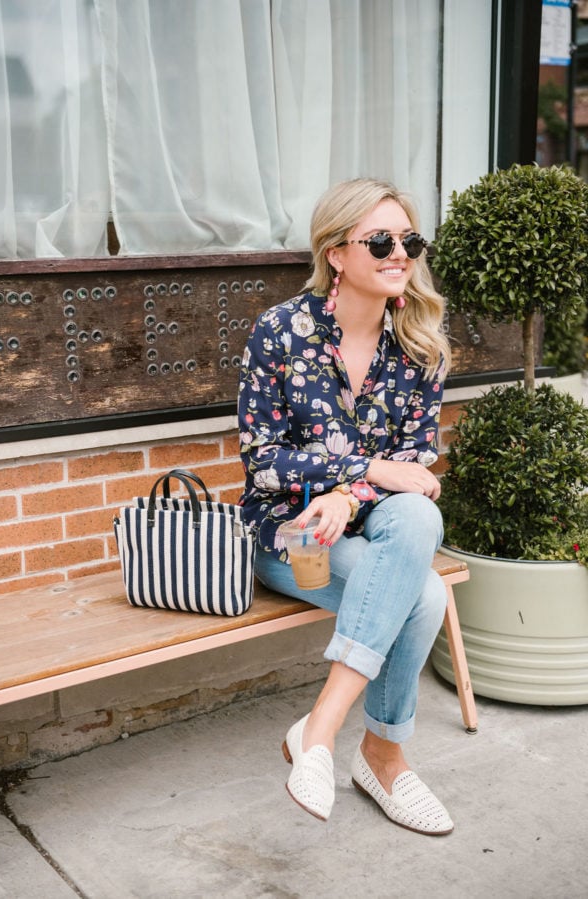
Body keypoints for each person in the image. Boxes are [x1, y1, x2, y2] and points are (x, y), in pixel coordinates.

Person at [238, 177, 453, 835]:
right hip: (291, 534)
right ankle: (382, 756)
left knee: (420, 516)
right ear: (336, 252)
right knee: (426, 598)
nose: (400, 254)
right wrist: (362, 469)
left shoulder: (419, 344)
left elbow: (414, 473)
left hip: (373, 523)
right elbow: (263, 459)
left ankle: (321, 729)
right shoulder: (280, 332)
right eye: (381, 240)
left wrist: (347, 490)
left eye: (409, 241)